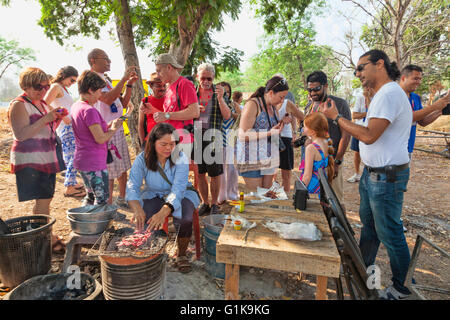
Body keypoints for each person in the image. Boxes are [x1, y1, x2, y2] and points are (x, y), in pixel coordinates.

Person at [321, 49, 413, 300]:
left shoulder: (390, 93)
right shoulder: (383, 94)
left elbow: (370, 135)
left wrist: (337, 118)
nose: (358, 73)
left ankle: (402, 288)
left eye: (361, 67)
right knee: (370, 229)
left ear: (379, 64)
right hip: (373, 175)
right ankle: (362, 271)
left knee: (390, 232)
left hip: (386, 177)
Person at [126, 123, 200, 273]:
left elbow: (178, 190)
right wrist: (137, 208)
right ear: (153, 143)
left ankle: (181, 254)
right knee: (146, 214)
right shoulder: (142, 159)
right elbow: (132, 185)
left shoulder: (181, 158)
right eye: (163, 144)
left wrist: (163, 212)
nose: (168, 148)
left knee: (185, 218)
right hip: (154, 193)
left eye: (172, 144)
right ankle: (155, 252)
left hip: (182, 193)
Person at [8, 67, 67, 253]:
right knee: (43, 201)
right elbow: (21, 134)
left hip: (45, 157)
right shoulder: (19, 104)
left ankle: (42, 236)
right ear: (25, 86)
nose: (42, 90)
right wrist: (47, 118)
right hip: (31, 160)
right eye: (37, 87)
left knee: (45, 199)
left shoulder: (40, 103)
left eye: (46, 86)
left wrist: (55, 118)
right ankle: (45, 240)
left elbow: (45, 129)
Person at [88, 48, 138, 207]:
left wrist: (128, 85)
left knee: (121, 166)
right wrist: (123, 79)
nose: (109, 61)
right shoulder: (91, 79)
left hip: (116, 128)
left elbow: (122, 104)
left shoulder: (106, 80)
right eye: (105, 58)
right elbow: (108, 100)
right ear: (93, 61)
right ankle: (107, 205)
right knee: (109, 170)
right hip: (105, 130)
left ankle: (122, 198)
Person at [71, 70, 123, 206]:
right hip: (94, 163)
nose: (101, 95)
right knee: (101, 200)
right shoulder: (90, 110)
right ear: (90, 90)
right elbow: (100, 138)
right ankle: (98, 226)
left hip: (82, 160)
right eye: (99, 91)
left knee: (90, 196)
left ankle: (85, 223)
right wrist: (114, 128)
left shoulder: (77, 106)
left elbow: (87, 130)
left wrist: (107, 125)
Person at [304, 71, 351, 204]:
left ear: (325, 86)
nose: (313, 93)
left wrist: (337, 161)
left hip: (331, 162)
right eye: (310, 89)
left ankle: (340, 225)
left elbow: (346, 136)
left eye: (316, 89)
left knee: (335, 200)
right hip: (314, 163)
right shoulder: (310, 105)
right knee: (320, 201)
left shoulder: (339, 104)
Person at [235, 76, 287, 191]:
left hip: (268, 156)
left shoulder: (273, 107)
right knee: (258, 197)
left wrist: (278, 127)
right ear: (271, 93)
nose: (282, 101)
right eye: (281, 97)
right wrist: (269, 133)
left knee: (266, 194)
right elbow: (243, 135)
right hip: (251, 158)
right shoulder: (253, 104)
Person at [193, 64, 231, 216]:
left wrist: (221, 99)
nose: (206, 81)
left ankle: (214, 203)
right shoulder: (192, 94)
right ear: (197, 77)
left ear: (213, 78)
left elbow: (227, 115)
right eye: (203, 78)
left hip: (214, 136)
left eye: (209, 78)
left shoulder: (219, 93)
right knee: (200, 173)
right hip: (196, 137)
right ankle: (205, 203)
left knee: (214, 174)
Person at [44, 66, 84, 197]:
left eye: (74, 81)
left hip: (70, 125)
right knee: (73, 155)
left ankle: (72, 182)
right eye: (72, 80)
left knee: (72, 155)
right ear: (64, 75)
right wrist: (62, 115)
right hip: (65, 126)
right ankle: (69, 186)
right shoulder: (56, 86)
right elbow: (44, 103)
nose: (72, 83)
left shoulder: (63, 88)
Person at [398, 65, 450, 158]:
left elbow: (422, 121)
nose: (419, 82)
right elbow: (407, 118)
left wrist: (441, 110)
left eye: (420, 79)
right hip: (393, 148)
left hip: (408, 147)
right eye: (415, 78)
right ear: (403, 78)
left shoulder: (415, 97)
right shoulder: (394, 95)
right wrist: (434, 106)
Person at [299, 112, 334, 195]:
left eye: (305, 126)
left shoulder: (311, 148)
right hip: (322, 185)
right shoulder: (327, 142)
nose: (303, 128)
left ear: (313, 132)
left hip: (311, 187)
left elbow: (307, 175)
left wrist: (299, 192)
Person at [276, 96, 305, 192]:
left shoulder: (287, 103)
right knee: (271, 173)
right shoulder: (268, 103)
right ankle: (273, 198)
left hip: (285, 138)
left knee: (286, 174)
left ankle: (285, 198)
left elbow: (301, 116)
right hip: (271, 139)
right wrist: (281, 121)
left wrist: (294, 132)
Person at [217, 81, 239, 204]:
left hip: (231, 136)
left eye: (228, 92)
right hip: (218, 136)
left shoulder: (233, 104)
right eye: (223, 91)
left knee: (232, 168)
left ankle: (232, 193)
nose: (226, 94)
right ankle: (221, 195)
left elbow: (240, 116)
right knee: (220, 169)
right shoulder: (215, 103)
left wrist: (232, 113)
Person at [347, 87, 374, 183]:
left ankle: (371, 175)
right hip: (359, 128)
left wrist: (367, 99)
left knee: (370, 152)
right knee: (356, 152)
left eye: (369, 87)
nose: (367, 89)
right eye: (365, 87)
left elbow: (374, 113)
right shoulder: (359, 97)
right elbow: (354, 115)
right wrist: (366, 113)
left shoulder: (377, 97)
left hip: (370, 129)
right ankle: (357, 173)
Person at [138, 72, 167, 149]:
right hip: (150, 142)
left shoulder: (170, 99)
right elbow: (141, 124)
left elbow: (171, 118)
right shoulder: (145, 101)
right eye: (159, 86)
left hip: (167, 141)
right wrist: (143, 143)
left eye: (164, 85)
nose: (162, 88)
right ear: (151, 86)